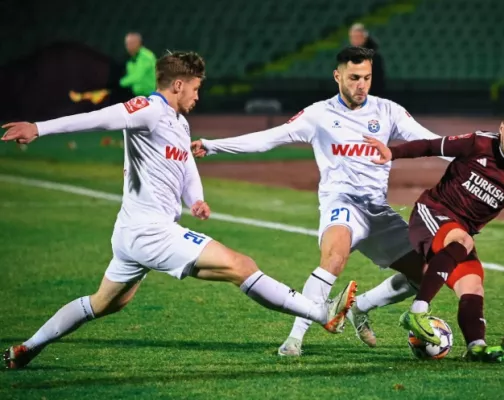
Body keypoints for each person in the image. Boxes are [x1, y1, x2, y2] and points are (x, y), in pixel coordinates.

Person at [1, 51, 357, 369]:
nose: (198, 96)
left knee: (103, 303)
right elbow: (99, 118)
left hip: (133, 233)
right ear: (178, 85)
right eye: (196, 89)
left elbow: (186, 167)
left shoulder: (179, 123)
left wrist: (195, 199)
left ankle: (27, 348)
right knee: (241, 265)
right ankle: (321, 312)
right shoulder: (149, 109)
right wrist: (38, 128)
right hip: (150, 230)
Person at [191, 46, 450, 356]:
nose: (361, 85)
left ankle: (361, 307)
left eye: (367, 77)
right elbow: (269, 138)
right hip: (341, 204)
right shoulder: (319, 115)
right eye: (354, 77)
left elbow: (430, 142)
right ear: (337, 76)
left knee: (427, 275)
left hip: (377, 212)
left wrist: (478, 151)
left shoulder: (388, 111)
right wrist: (213, 146)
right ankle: (294, 340)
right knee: (334, 258)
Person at [364, 101, 504, 362]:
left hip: (458, 232)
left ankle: (476, 347)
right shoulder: (477, 143)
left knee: (473, 284)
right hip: (431, 213)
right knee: (461, 240)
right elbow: (431, 146)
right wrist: (392, 153)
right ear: (502, 128)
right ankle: (417, 311)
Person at [349, 23, 387, 97]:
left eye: (358, 37)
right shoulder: (347, 56)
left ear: (364, 38)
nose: (355, 40)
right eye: (353, 37)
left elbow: (378, 81)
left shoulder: (374, 57)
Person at [119, 32, 157, 98]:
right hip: (138, 95)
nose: (128, 46)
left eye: (131, 43)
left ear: (139, 43)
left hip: (150, 95)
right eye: (127, 44)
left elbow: (137, 76)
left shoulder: (146, 56)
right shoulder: (131, 58)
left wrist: (120, 83)